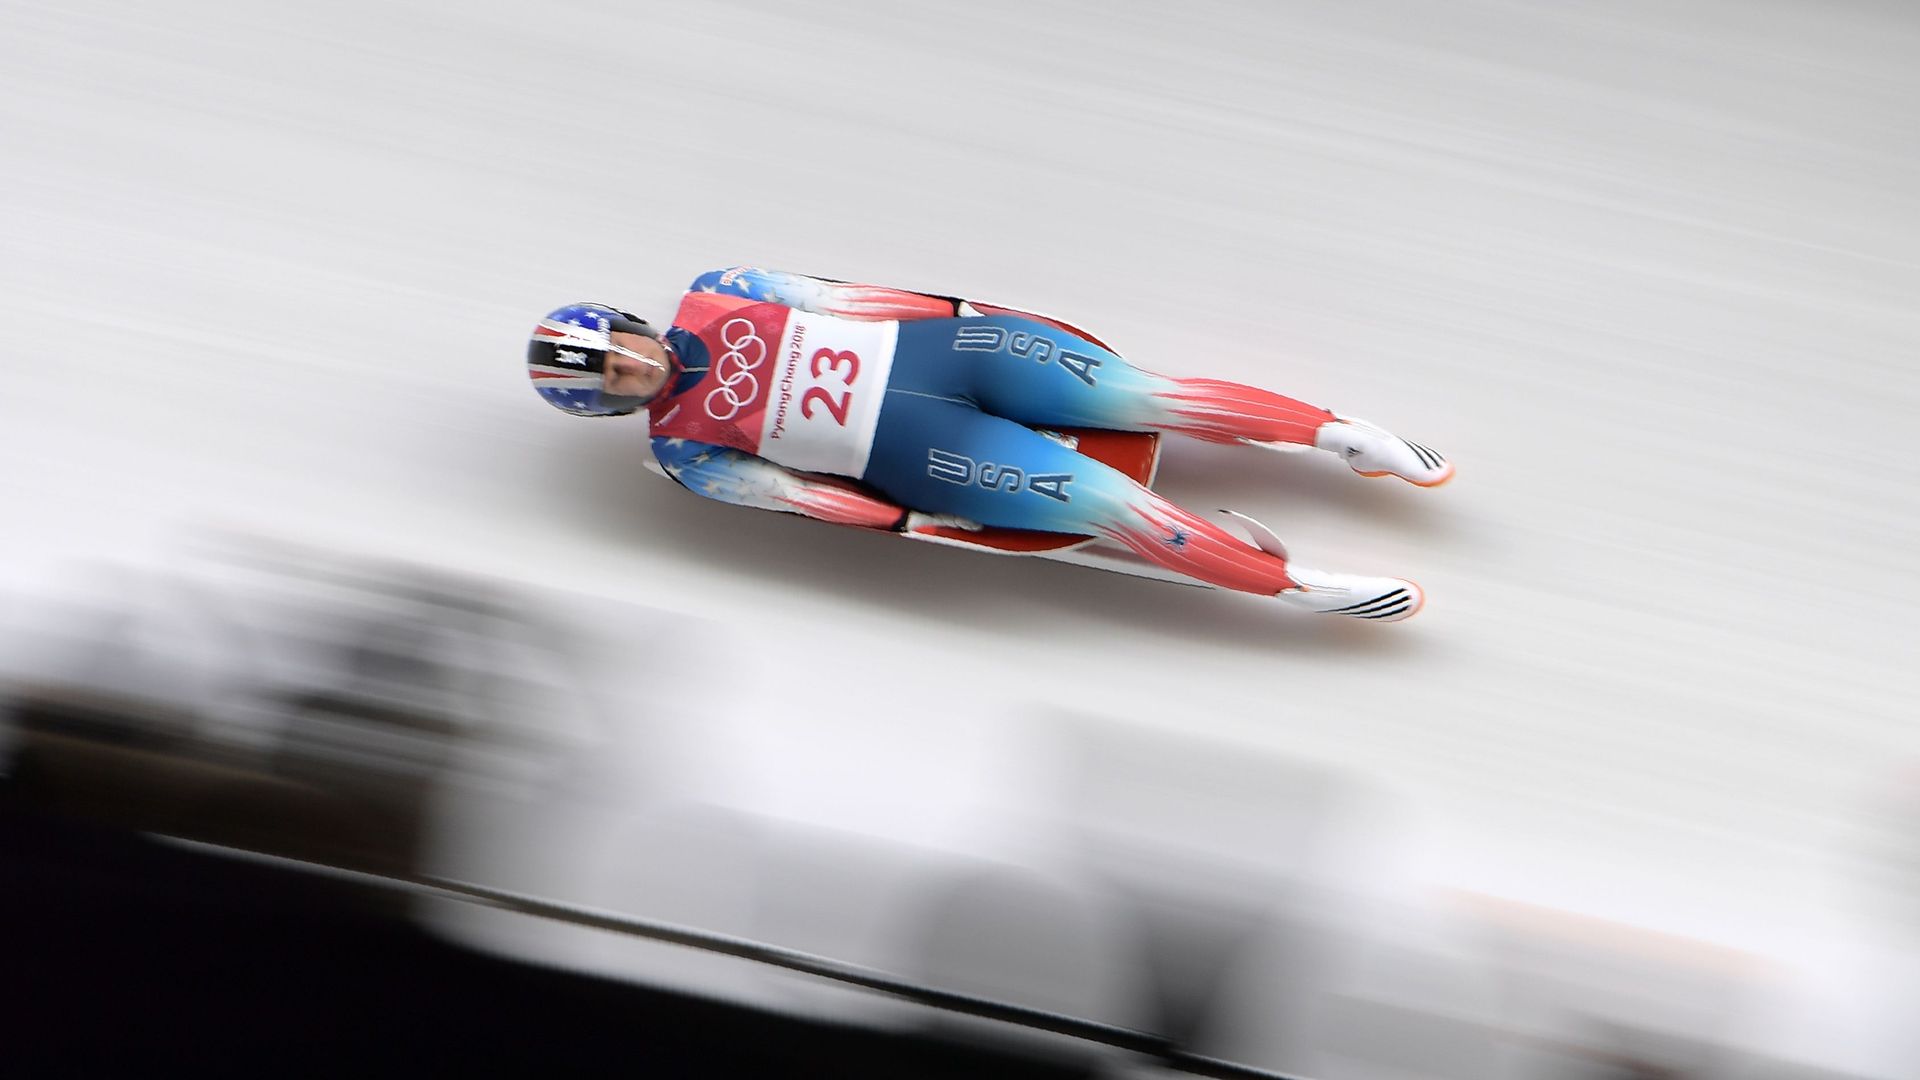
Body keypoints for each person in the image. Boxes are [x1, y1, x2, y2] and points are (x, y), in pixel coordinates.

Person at [526, 267, 1452, 622]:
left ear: (631, 323)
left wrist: (968, 315)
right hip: (925, 451)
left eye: (619, 350)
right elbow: (803, 500)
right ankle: (1296, 587)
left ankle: (1346, 436)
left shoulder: (720, 286)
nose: (631, 370)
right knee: (1108, 505)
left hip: (957, 353)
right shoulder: (688, 456)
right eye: (608, 379)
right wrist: (913, 523)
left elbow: (849, 299)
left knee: (1145, 395)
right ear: (602, 406)